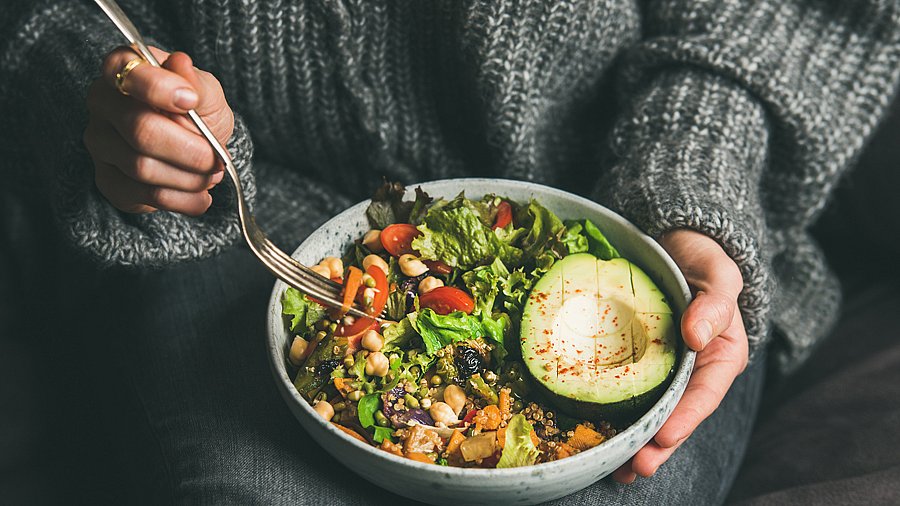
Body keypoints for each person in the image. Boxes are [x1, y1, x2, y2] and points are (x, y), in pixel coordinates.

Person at [1, 0, 898, 504]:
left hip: (623, 201)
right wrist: (118, 99)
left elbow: (787, 18)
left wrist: (694, 175)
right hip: (234, 219)